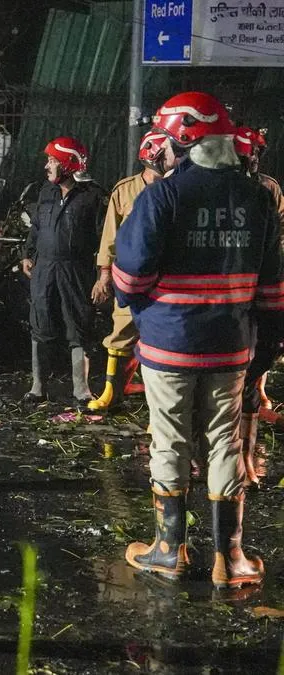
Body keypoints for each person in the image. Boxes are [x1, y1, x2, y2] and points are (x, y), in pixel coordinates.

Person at [115, 91, 282, 588]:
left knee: (169, 440)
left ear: (185, 137)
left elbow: (128, 279)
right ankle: (229, 559)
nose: (160, 148)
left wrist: (149, 308)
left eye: (166, 139)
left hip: (169, 345)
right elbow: (272, 287)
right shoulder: (258, 197)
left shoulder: (163, 195)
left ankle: (169, 551)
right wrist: (265, 352)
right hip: (231, 346)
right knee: (225, 442)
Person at [20, 137, 108, 405]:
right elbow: (36, 228)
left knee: (78, 325)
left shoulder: (93, 197)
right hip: (44, 268)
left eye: (52, 161)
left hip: (76, 271)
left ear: (69, 164)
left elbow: (105, 239)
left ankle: (80, 390)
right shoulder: (46, 191)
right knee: (41, 323)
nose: (47, 166)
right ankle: (37, 387)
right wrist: (27, 254)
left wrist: (103, 276)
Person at [87, 131, 171, 412]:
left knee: (163, 339)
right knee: (121, 329)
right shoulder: (124, 190)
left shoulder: (179, 188)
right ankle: (112, 391)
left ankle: (158, 403)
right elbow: (110, 236)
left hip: (166, 279)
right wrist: (104, 274)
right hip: (131, 277)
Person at [235, 126, 284, 454]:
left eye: (255, 153)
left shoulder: (269, 188)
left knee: (259, 354)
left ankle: (247, 456)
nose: (250, 158)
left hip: (261, 284)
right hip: (231, 290)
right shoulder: (228, 189)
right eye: (245, 153)